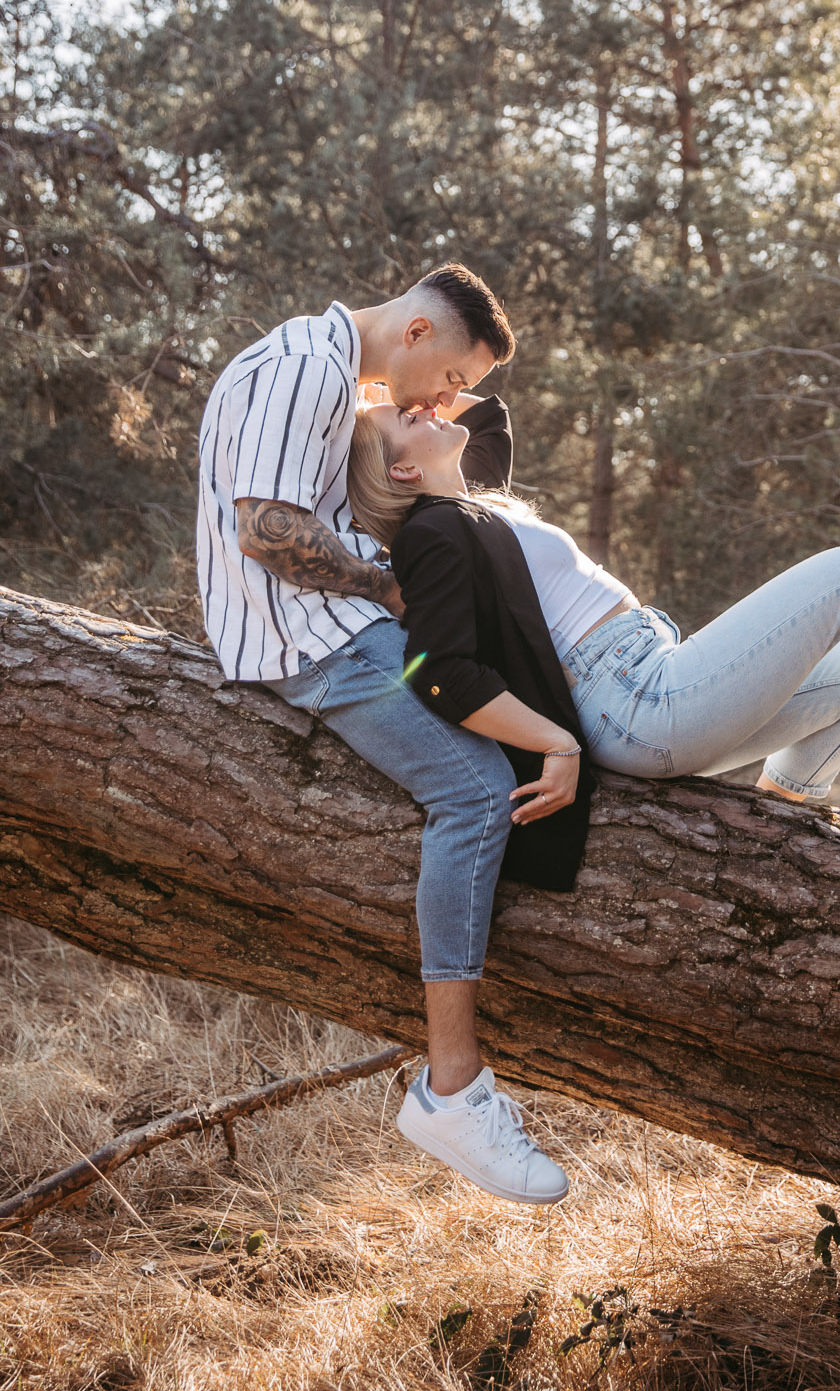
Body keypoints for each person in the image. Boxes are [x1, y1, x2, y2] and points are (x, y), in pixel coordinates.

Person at [196, 265, 572, 1208]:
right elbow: (266, 530)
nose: (445, 399)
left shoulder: (329, 368)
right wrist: (388, 587)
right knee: (477, 791)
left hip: (334, 628)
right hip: (318, 644)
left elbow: (449, 443)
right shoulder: (305, 367)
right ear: (413, 332)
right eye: (449, 376)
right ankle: (452, 1090)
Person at [347, 397, 840, 860]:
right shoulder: (432, 533)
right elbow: (437, 670)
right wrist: (555, 743)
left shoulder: (472, 511)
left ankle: (776, 822)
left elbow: (487, 410)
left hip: (646, 683)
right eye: (406, 418)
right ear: (402, 472)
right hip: (633, 699)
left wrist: (407, 394)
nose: (424, 406)